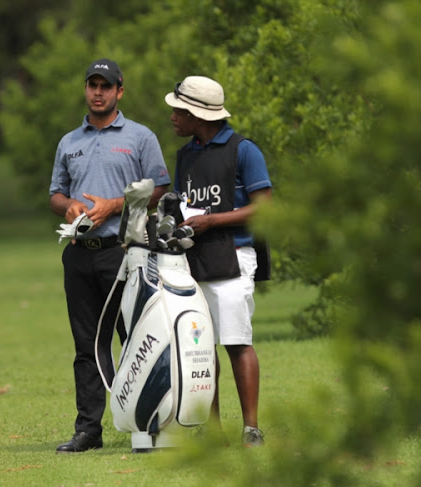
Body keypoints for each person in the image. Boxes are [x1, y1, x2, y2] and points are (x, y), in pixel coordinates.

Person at [50, 58, 170, 453]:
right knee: (86, 346)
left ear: (120, 90)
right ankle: (88, 430)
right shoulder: (70, 141)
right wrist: (67, 206)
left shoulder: (139, 137)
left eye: (106, 86)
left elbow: (159, 189)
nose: (97, 92)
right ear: (86, 89)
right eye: (92, 85)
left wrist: (114, 205)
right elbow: (55, 193)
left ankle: (147, 423)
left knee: (136, 340)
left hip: (125, 254)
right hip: (80, 255)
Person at [164, 76, 272, 447]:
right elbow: (181, 205)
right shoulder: (186, 155)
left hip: (235, 257)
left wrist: (211, 221)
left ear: (197, 113)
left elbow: (264, 207)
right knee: (200, 346)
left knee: (237, 341)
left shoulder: (244, 150)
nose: (173, 117)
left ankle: (251, 428)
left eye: (178, 110)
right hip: (194, 261)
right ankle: (214, 431)